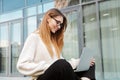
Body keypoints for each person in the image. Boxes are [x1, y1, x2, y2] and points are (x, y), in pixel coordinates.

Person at [17, 8, 96, 80]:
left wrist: (78, 62)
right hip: (42, 77)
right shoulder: (34, 37)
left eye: (61, 24)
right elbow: (22, 65)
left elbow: (62, 67)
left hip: (57, 74)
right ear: (48, 19)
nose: (59, 26)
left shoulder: (53, 42)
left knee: (90, 64)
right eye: (58, 22)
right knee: (61, 63)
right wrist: (49, 67)